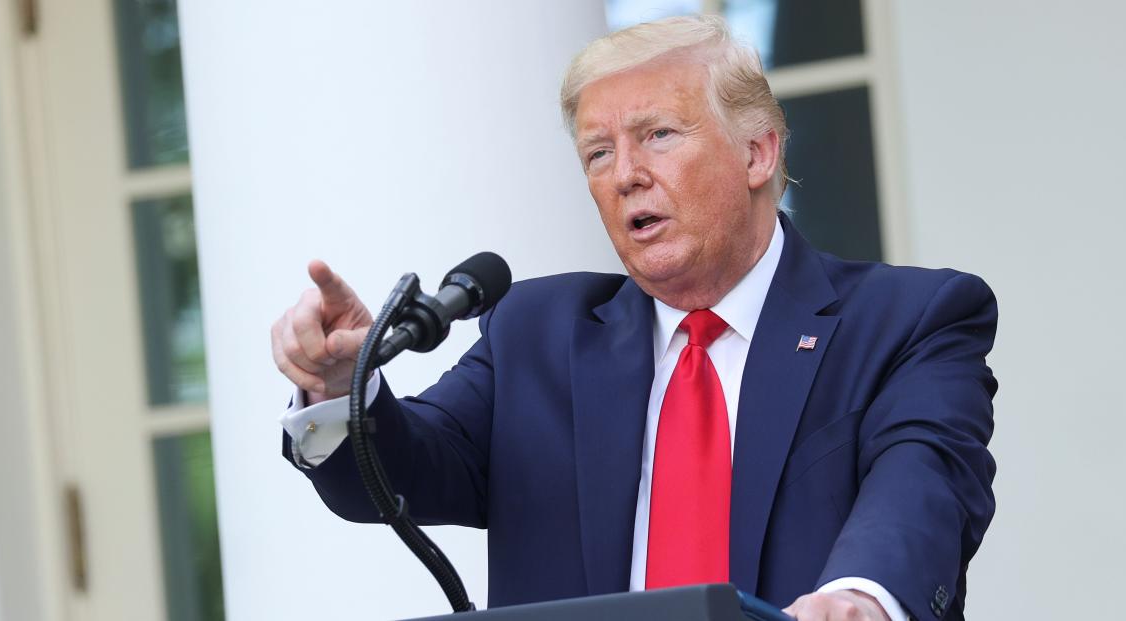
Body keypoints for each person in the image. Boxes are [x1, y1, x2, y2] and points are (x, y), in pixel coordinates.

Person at [271, 16, 996, 621]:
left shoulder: (907, 321)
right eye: (598, 152)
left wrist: (860, 595)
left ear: (757, 151)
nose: (625, 175)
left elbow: (924, 479)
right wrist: (341, 388)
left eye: (658, 136)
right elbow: (400, 470)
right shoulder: (536, 332)